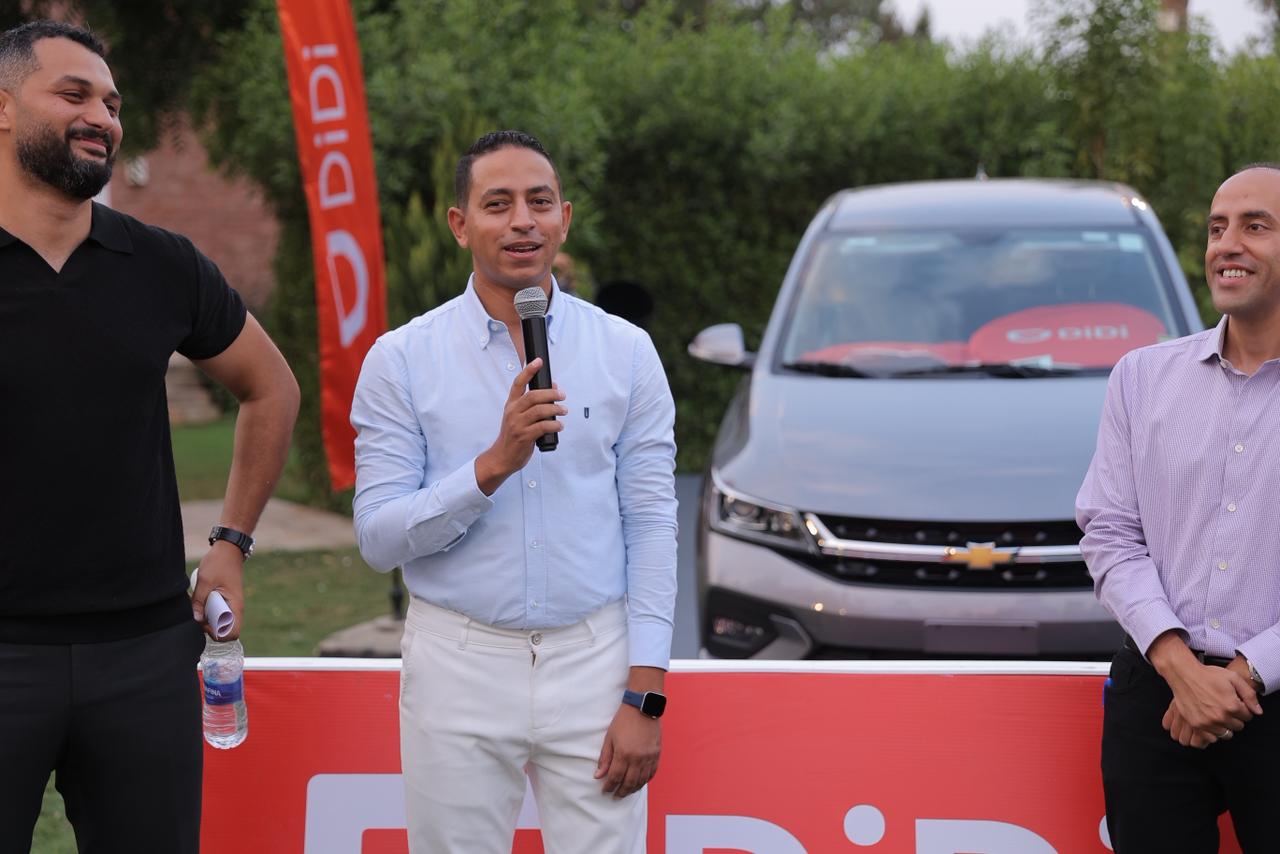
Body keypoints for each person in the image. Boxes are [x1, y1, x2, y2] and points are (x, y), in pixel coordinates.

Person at [0, 21, 299, 853]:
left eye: (112, 102)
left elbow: (271, 387)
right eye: (74, 94)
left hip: (143, 654)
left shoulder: (163, 265)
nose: (102, 117)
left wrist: (232, 544)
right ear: (3, 106)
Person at [351, 130, 677, 853]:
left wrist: (645, 693)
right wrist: (491, 467)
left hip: (595, 659)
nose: (522, 221)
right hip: (457, 661)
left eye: (539, 202)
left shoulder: (625, 351)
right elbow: (377, 539)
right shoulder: (401, 359)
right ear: (460, 224)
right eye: (497, 204)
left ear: (565, 218)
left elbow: (652, 522)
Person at [1076, 163, 1280, 852]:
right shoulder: (1141, 378)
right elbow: (1110, 533)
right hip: (1154, 692)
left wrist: (1240, 677)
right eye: (1218, 228)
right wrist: (1179, 667)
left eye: (1256, 226)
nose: (1228, 245)